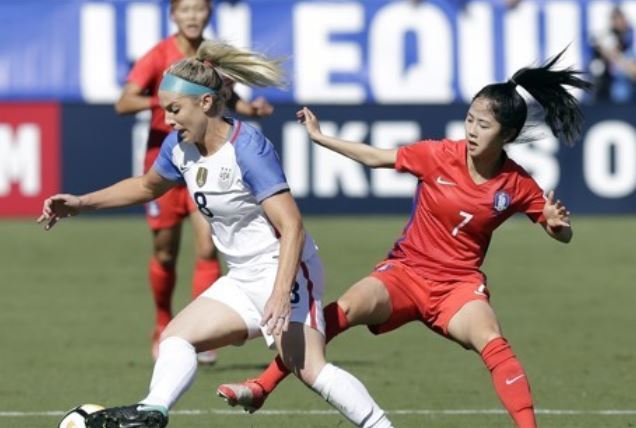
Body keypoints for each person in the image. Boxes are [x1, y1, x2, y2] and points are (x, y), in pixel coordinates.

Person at [216, 49, 592, 428]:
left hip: (456, 288)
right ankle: (262, 386)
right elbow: (375, 156)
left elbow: (559, 231)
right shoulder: (438, 155)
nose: (472, 130)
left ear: (507, 134)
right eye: (470, 120)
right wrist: (321, 137)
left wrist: (559, 227)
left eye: (484, 125)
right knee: (340, 311)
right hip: (404, 274)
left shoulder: (517, 182)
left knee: (492, 340)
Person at [39, 41, 393, 428]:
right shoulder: (180, 147)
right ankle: (152, 412)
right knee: (176, 337)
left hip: (287, 272)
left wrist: (278, 293)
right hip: (242, 278)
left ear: (205, 104)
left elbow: (292, 226)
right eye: (164, 110)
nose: (167, 120)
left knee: (310, 369)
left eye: (174, 110)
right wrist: (80, 203)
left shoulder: (248, 148)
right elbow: (146, 187)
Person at [115, 0, 273, 362]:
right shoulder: (158, 56)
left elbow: (227, 99)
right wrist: (168, 101)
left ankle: (202, 336)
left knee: (206, 248)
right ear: (173, 15)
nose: (192, 16)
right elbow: (123, 104)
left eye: (199, 9)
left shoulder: (210, 57)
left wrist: (252, 109)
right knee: (165, 253)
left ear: (208, 14)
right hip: (166, 164)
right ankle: (161, 323)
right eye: (184, 10)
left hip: (205, 161)